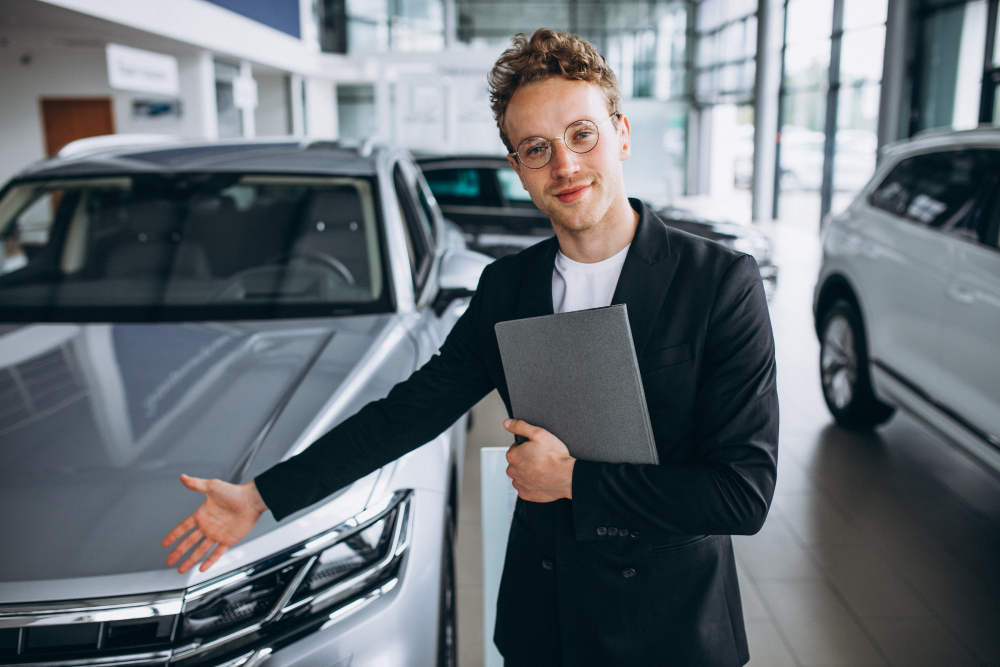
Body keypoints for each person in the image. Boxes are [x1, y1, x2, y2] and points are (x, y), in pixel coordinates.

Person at [162, 28, 778, 667]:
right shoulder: (509, 287)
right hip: (548, 621)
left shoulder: (718, 284)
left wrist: (573, 481)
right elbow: (409, 412)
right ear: (517, 170)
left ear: (620, 133)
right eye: (536, 149)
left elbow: (742, 492)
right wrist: (263, 495)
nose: (564, 165)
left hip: (669, 628)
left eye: (581, 135)